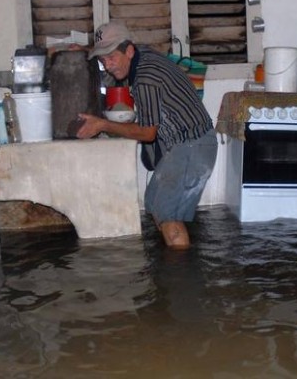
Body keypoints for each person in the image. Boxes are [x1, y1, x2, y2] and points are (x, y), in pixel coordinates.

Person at [75, 21, 218, 250]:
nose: (108, 65)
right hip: (185, 145)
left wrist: (103, 125)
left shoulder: (145, 77)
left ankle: (180, 276)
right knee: (153, 201)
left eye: (111, 57)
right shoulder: (140, 55)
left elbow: (148, 133)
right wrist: (80, 49)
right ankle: (170, 265)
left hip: (193, 145)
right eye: (103, 60)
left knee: (166, 212)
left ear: (129, 51)